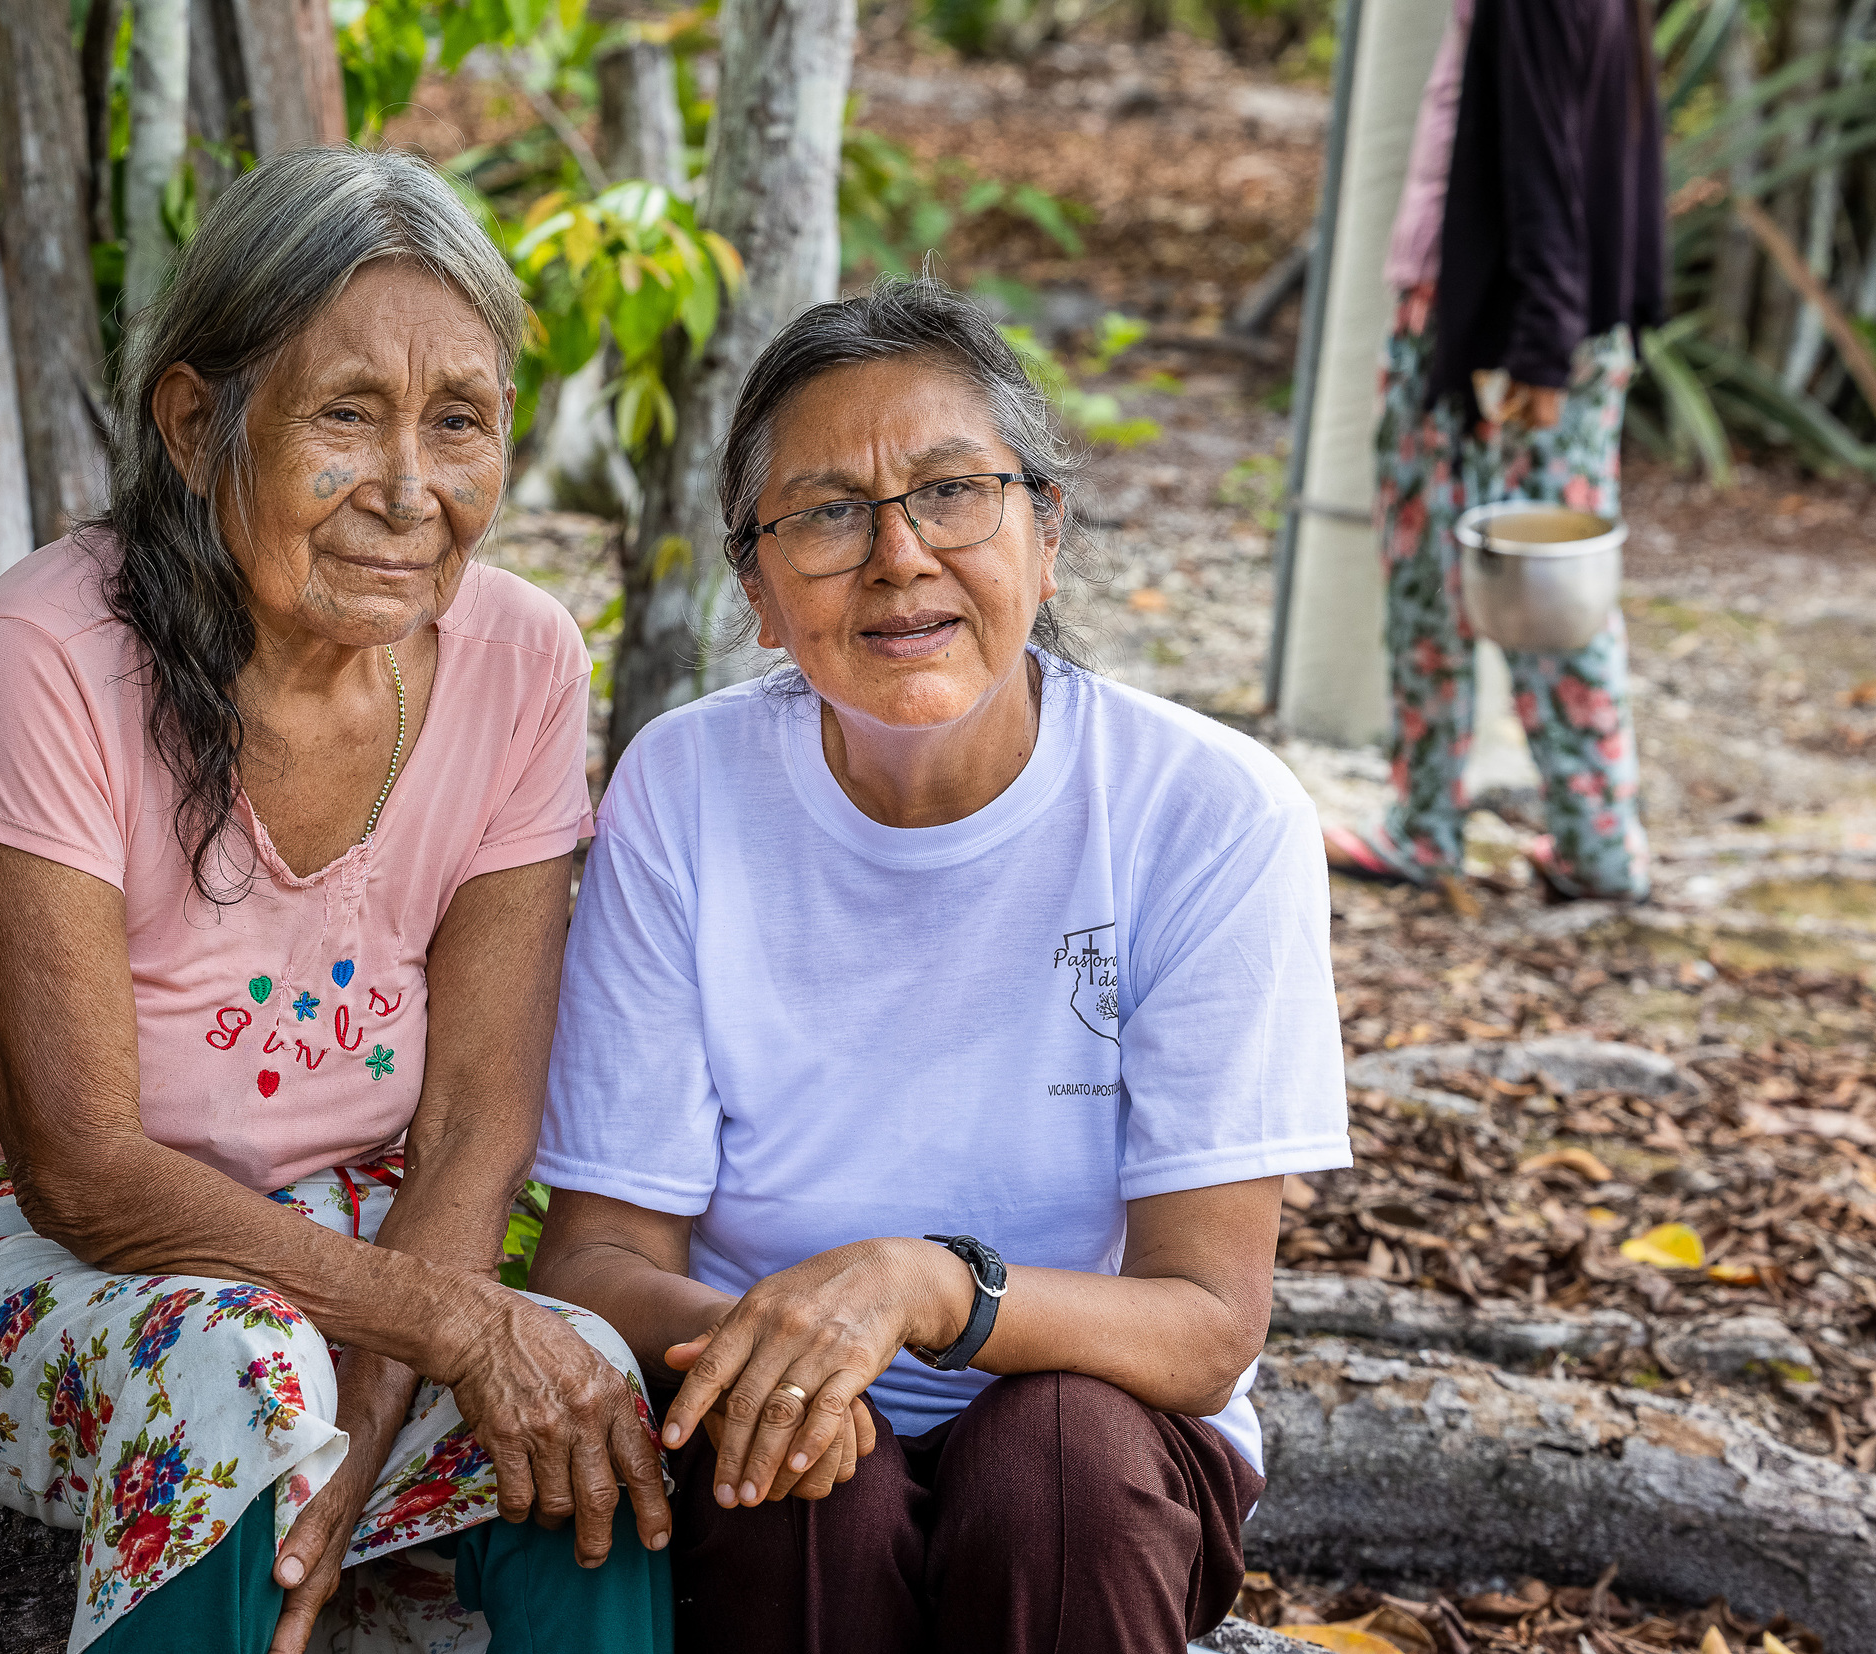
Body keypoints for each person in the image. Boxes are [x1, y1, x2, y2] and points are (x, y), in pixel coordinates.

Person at [0, 149, 670, 1654]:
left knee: (580, 1374)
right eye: (347, 415)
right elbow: (80, 1172)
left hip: (333, 1239)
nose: (409, 490)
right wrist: (445, 1326)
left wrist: (375, 1412)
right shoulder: (43, 659)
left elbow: (473, 1124)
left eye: (459, 422)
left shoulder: (521, 659)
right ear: (197, 424)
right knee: (240, 1366)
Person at [526, 277, 1351, 1654]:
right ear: (758, 590)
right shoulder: (685, 788)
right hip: (766, 1422)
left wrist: (928, 1287)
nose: (898, 556)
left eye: (953, 492)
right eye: (827, 513)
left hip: (1103, 1444)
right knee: (801, 1475)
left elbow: (1209, 1324)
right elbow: (599, 1256)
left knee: (1057, 1462)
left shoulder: (1208, 811)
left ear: (1046, 531)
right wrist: (789, 1350)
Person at [1325, 0, 1665, 900]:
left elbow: (1544, 151)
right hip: (1540, 317)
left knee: (1502, 578)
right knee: (1526, 575)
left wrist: (1541, 346)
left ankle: (1452, 830)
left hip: (1492, 324)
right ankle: (1575, 840)